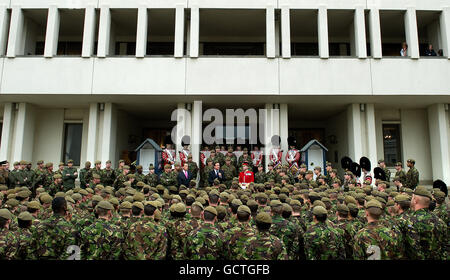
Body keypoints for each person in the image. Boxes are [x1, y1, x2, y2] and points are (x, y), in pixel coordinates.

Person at [404, 186, 447, 260]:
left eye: (412, 198)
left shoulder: (411, 222)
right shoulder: (440, 221)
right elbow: (446, 246)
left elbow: (414, 250)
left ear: (415, 200)